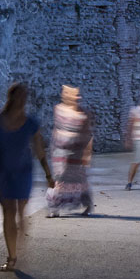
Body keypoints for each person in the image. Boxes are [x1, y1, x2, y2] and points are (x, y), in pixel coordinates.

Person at [0, 82, 51, 273]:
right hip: (2, 174)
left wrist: (48, 175)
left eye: (25, 96)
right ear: (11, 97)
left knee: (20, 210)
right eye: (19, 96)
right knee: (8, 211)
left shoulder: (31, 123)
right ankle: (12, 256)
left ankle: (20, 245)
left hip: (24, 173)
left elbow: (40, 151)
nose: (22, 100)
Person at [47, 85, 95, 216]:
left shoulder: (83, 114)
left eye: (76, 95)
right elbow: (56, 130)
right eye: (72, 94)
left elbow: (88, 134)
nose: (76, 98)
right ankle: (54, 207)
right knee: (60, 179)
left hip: (77, 152)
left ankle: (87, 204)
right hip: (60, 152)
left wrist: (87, 154)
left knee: (79, 179)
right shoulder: (59, 110)